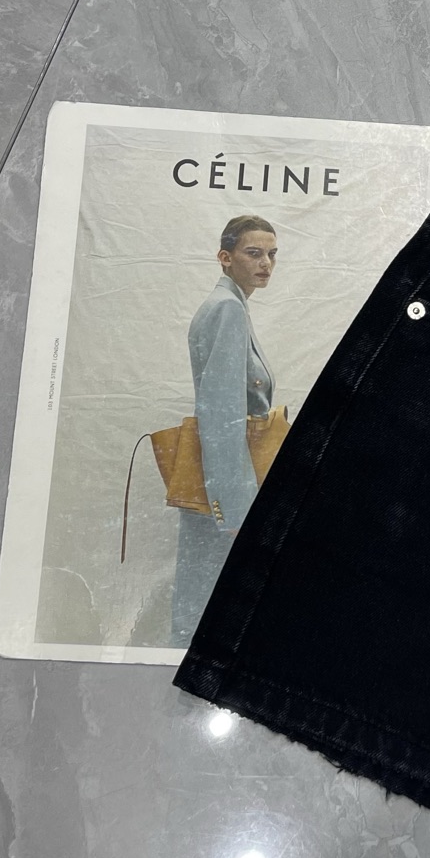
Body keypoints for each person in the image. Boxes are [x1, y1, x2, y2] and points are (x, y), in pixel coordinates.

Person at [170, 216, 279, 645]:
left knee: (204, 601)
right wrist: (233, 510)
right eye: (254, 253)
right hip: (224, 487)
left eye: (272, 254)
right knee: (209, 607)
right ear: (225, 257)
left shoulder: (232, 306)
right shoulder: (227, 310)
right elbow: (220, 412)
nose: (266, 263)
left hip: (221, 480)